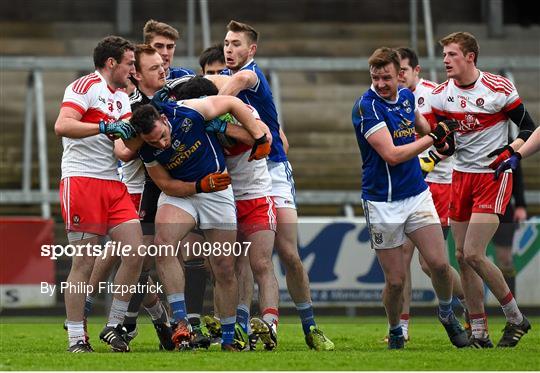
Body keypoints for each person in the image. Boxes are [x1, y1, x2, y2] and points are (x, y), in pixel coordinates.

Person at [218, 20, 333, 351]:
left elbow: (232, 88)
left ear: (251, 50)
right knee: (244, 257)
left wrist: (208, 107)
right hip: (243, 173)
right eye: (226, 43)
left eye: (236, 43)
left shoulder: (249, 75)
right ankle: (244, 325)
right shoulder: (225, 76)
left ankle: (310, 325)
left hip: (273, 171)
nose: (229, 48)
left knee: (287, 252)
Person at [130, 91, 270, 351]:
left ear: (163, 118)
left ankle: (229, 337)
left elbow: (230, 101)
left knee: (223, 265)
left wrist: (259, 136)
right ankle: (181, 323)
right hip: (185, 192)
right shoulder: (147, 148)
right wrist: (198, 185)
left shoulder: (190, 112)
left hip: (217, 192)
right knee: (163, 244)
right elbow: (166, 184)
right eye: (154, 141)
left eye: (162, 136)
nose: (161, 144)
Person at [352, 47, 468, 350]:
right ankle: (394, 329)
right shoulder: (367, 107)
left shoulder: (404, 96)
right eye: (375, 77)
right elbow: (391, 155)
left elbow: (421, 125)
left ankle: (446, 313)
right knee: (396, 281)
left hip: (416, 194)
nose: (380, 83)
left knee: (440, 265)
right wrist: (433, 139)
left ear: (399, 74)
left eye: (386, 77)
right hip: (382, 201)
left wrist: (434, 134)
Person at [430, 31, 535, 348]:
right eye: (445, 55)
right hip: (460, 178)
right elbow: (446, 145)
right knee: (461, 257)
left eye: (452, 55)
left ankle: (516, 318)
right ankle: (479, 332)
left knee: (474, 253)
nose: (446, 60)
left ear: (470, 56)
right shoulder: (440, 96)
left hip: (493, 175)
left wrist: (511, 150)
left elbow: (528, 127)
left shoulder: (498, 87)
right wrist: (442, 145)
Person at [54, 35, 145, 353]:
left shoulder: (121, 97)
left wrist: (144, 137)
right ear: (112, 63)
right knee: (84, 263)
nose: (133, 69)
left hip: (113, 184)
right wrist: (104, 127)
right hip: (82, 181)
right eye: (130, 63)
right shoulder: (84, 87)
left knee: (136, 252)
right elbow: (63, 125)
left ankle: (113, 325)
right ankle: (77, 338)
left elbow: (121, 152)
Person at [392, 47, 468, 341]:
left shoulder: (433, 95)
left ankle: (469, 304)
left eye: (403, 72)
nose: (398, 78)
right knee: (402, 257)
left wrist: (430, 160)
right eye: (394, 72)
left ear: (416, 71)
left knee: (429, 263)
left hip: (439, 186)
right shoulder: (390, 102)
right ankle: (403, 328)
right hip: (409, 186)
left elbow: (452, 138)